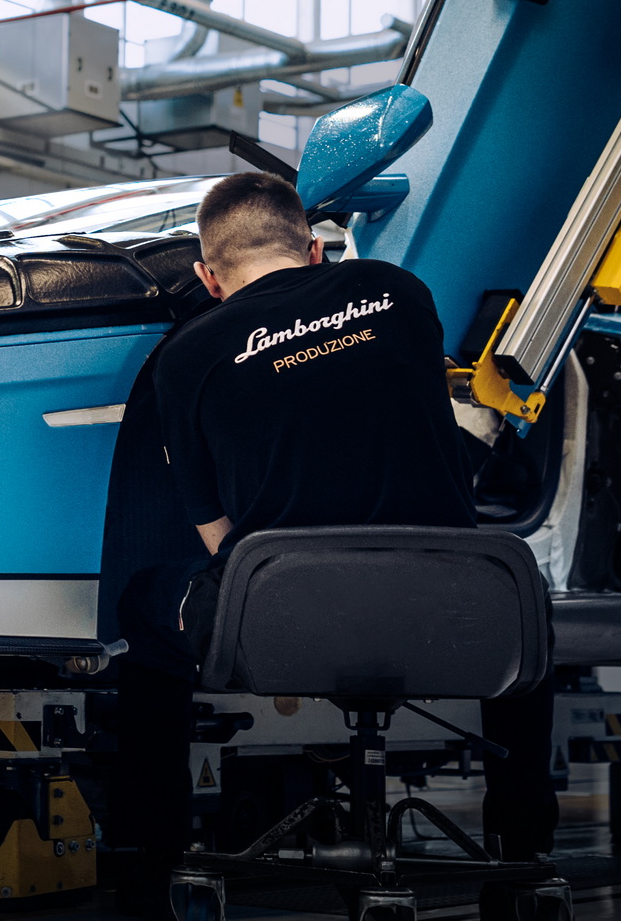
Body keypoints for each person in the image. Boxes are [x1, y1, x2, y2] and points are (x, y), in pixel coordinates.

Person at [110, 171, 557, 908]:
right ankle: (523, 851)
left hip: (286, 618)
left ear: (207, 277)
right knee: (524, 600)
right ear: (315, 252)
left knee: (143, 601)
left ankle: (149, 854)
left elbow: (219, 537)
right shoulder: (399, 293)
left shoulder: (186, 358)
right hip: (457, 611)